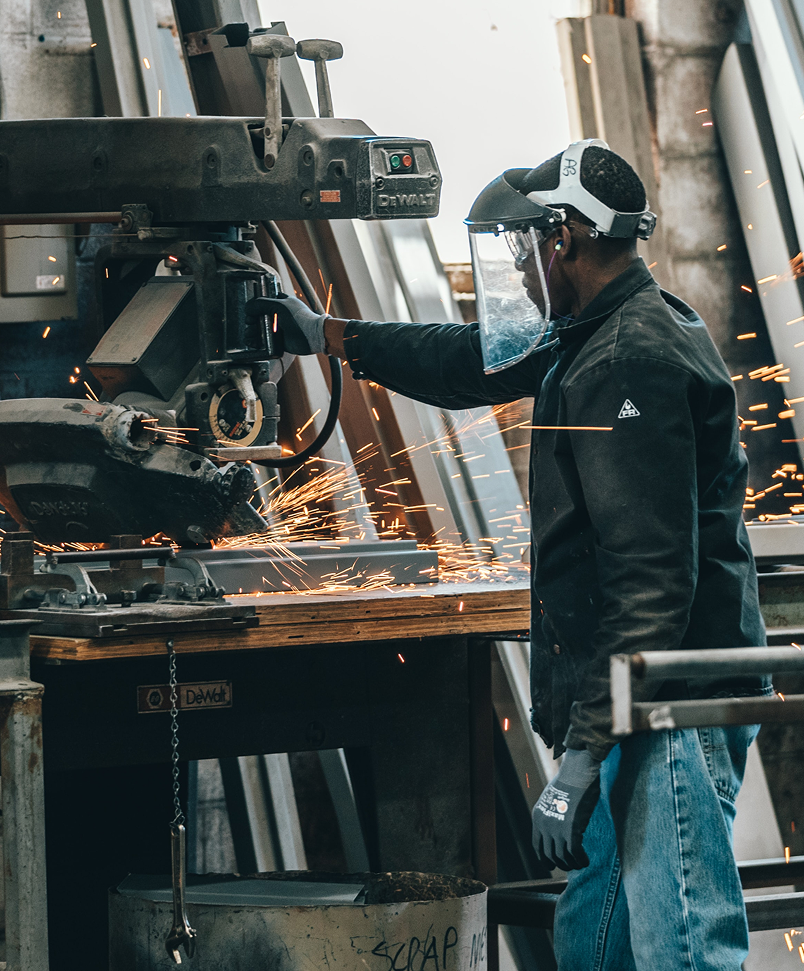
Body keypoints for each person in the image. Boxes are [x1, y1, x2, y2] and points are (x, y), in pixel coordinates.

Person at [251, 140, 770, 969]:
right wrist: (329, 335)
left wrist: (578, 758)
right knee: (594, 942)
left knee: (681, 945)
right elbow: (464, 361)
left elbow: (648, 579)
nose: (521, 273)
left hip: (668, 706)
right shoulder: (591, 330)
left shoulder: (629, 355)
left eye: (525, 249)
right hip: (627, 703)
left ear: (561, 236)